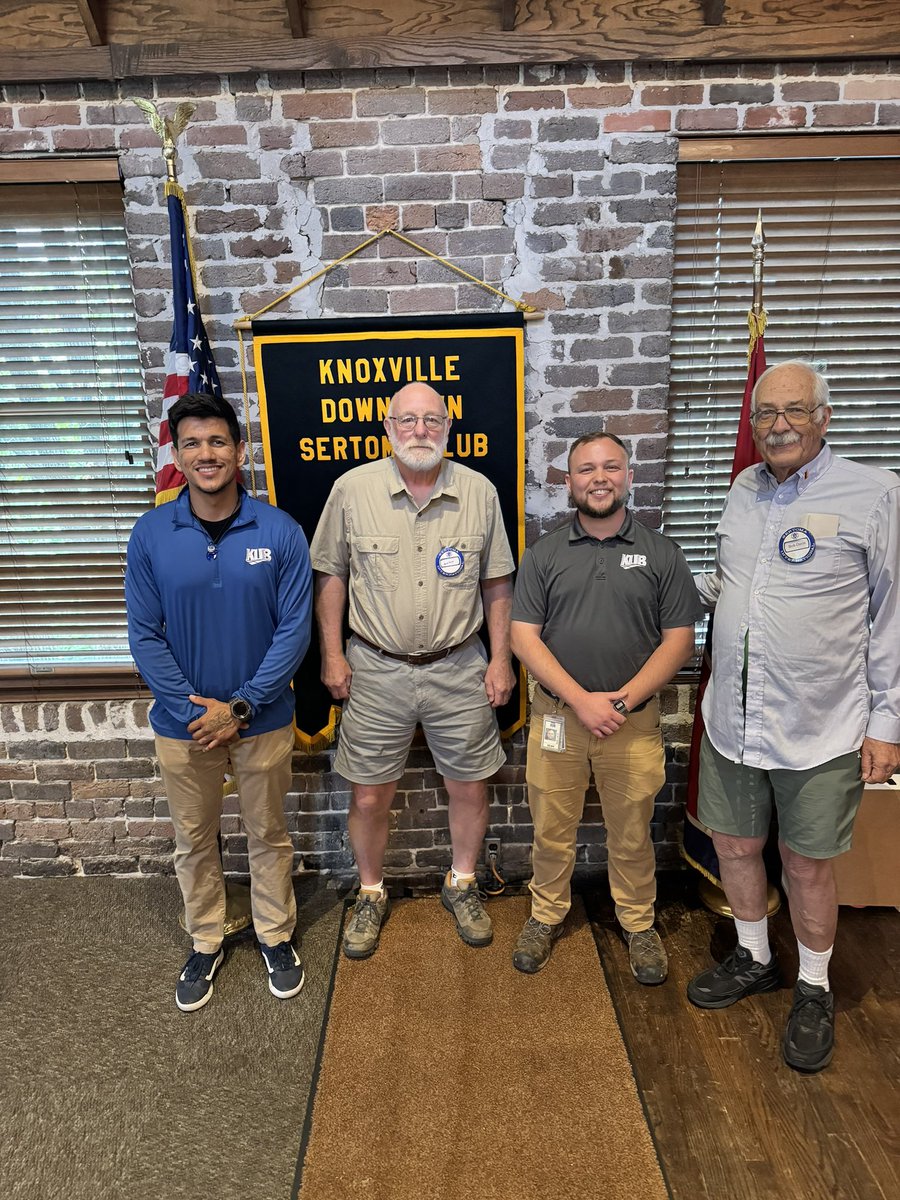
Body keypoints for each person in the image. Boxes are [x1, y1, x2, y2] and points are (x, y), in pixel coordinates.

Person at [687, 360, 900, 1073]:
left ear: (824, 417)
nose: (778, 425)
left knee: (806, 866)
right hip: (732, 720)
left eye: (794, 411)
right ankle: (755, 959)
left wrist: (888, 721)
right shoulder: (743, 488)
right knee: (738, 849)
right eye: (765, 415)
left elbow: (893, 617)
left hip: (821, 726)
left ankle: (812, 985)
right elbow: (730, 582)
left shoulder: (875, 496)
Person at [311, 382, 515, 959]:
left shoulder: (478, 493)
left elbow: (497, 582)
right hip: (376, 669)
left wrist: (500, 658)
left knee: (469, 786)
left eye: (431, 420)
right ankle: (371, 892)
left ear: (448, 427)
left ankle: (462, 883)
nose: (419, 431)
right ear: (387, 427)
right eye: (407, 421)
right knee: (370, 796)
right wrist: (331, 654)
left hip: (459, 668)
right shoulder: (352, 490)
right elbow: (330, 576)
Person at [125, 392, 313, 1012]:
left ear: (238, 451)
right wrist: (191, 710)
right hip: (184, 729)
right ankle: (206, 938)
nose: (206, 454)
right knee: (194, 839)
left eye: (217, 442)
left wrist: (241, 707)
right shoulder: (151, 534)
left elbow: (295, 628)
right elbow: (144, 633)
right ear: (177, 455)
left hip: (262, 722)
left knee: (267, 833)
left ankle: (274, 934)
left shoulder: (279, 530)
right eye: (192, 444)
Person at [510, 432, 701, 981]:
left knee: (632, 832)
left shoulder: (662, 553)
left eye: (610, 466)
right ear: (568, 482)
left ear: (627, 476)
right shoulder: (544, 555)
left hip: (631, 722)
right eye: (586, 469)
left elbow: (679, 641)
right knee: (550, 829)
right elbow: (524, 638)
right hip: (558, 721)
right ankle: (546, 915)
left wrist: (616, 702)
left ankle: (638, 924)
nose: (599, 478)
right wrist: (581, 702)